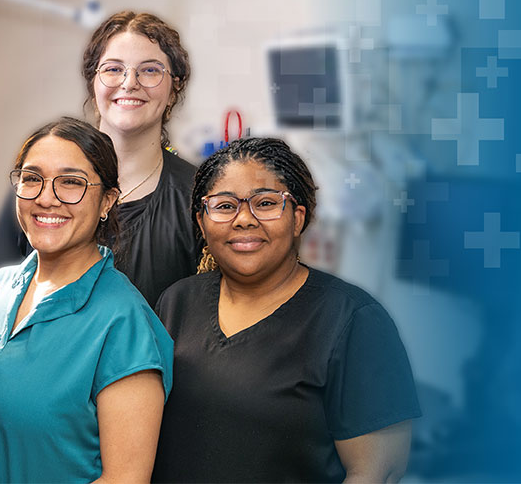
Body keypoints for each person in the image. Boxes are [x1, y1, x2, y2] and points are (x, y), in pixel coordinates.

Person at [152, 138, 421, 483]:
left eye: (265, 203)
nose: (244, 219)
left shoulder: (353, 320)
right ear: (202, 223)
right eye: (224, 206)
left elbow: (378, 471)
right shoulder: (176, 302)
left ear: (298, 218)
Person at [0, 117, 173, 483]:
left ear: (107, 201)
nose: (46, 198)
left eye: (71, 183)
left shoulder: (123, 323)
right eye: (31, 178)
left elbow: (125, 478)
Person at [0, 11, 202, 306]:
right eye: (113, 69)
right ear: (93, 81)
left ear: (175, 87)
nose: (130, 83)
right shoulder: (36, 188)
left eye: (150, 70)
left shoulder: (199, 197)